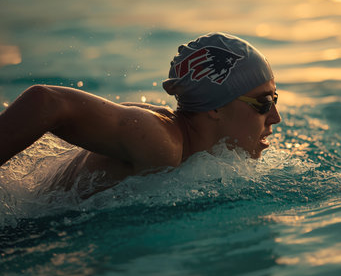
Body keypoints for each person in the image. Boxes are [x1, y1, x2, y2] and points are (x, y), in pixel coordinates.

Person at [0, 32, 281, 197]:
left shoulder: (191, 155)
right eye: (264, 102)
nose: (275, 117)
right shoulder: (160, 141)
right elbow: (47, 101)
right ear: (216, 106)